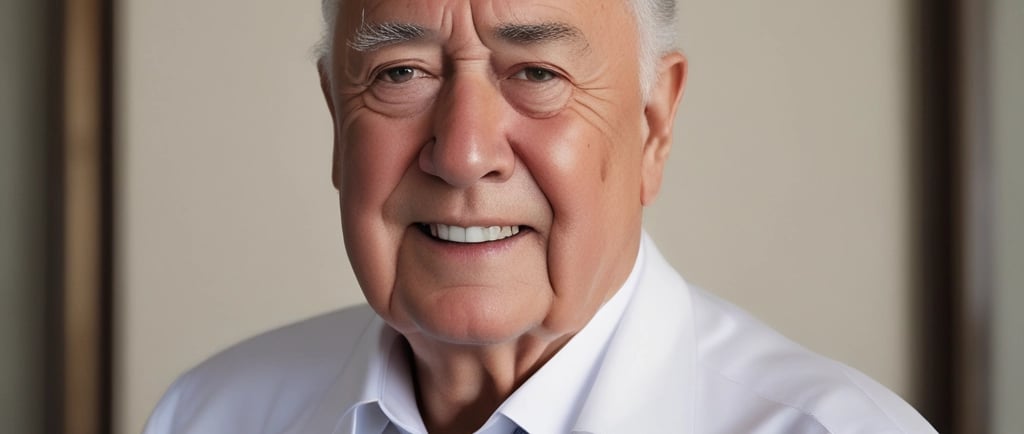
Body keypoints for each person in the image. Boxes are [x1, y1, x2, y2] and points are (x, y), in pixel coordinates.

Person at [143, 0, 938, 433]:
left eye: (536, 71)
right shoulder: (209, 415)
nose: (462, 152)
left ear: (655, 123)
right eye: (400, 73)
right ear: (335, 122)